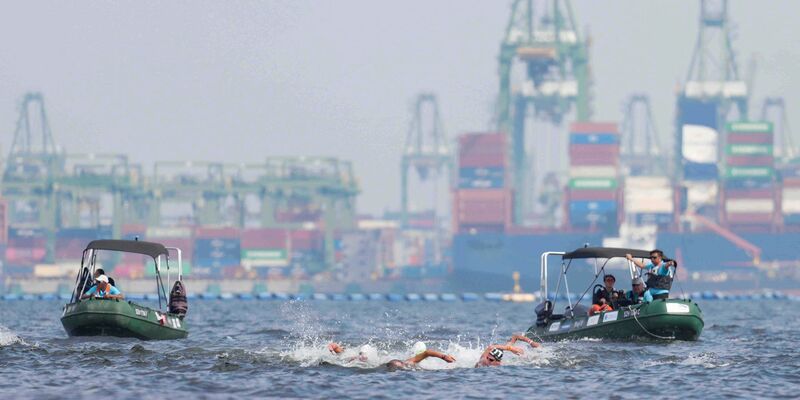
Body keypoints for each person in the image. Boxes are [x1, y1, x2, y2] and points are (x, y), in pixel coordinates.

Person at [475, 334, 540, 368]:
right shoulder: (483, 360)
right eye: (488, 358)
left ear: (498, 361)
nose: (488, 360)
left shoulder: (499, 364)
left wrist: (531, 342)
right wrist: (509, 348)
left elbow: (515, 336)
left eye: (491, 360)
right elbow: (490, 347)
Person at [385, 341, 455, 370]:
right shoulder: (414, 360)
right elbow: (427, 352)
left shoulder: (412, 359)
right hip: (397, 364)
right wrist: (444, 357)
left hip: (395, 363)